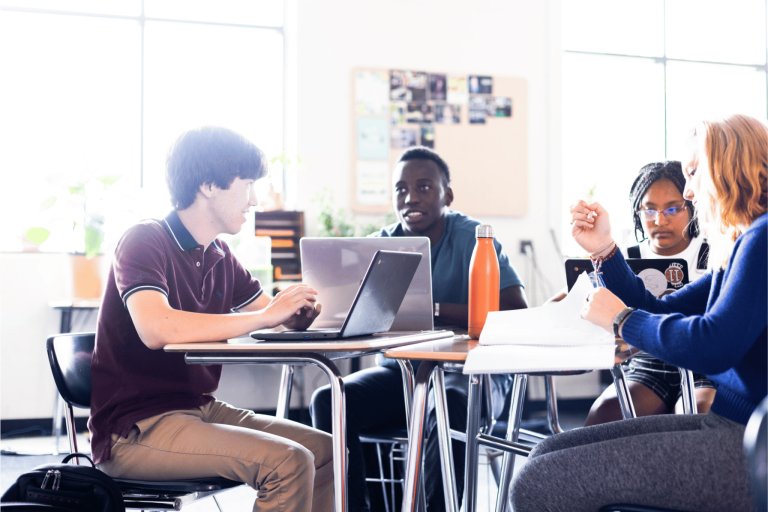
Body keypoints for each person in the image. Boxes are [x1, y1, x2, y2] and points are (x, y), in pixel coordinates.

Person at [512, 114, 767, 512]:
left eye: (695, 174)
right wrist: (603, 250)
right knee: (544, 452)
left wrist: (620, 319)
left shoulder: (762, 239)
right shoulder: (743, 243)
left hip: (749, 442)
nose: (691, 192)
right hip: (731, 425)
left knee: (538, 482)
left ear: (727, 169)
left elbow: (715, 345)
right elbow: (659, 308)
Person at [89, 126, 333, 512]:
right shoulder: (144, 240)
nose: (254, 200)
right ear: (208, 185)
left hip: (197, 408)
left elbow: (266, 312)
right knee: (288, 462)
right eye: (248, 184)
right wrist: (268, 316)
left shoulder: (219, 253)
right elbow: (157, 329)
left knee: (324, 450)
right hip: (134, 428)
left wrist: (294, 316)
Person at [310, 146, 528, 512]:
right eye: (400, 189)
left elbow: (514, 310)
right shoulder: (382, 242)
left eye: (425, 187)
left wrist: (434, 310)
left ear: (448, 194)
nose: (410, 197)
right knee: (329, 399)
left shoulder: (475, 238)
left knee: (445, 404)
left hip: (470, 377)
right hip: (404, 377)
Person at [584, 161, 716, 426]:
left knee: (697, 415)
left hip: (702, 361)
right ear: (637, 212)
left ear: (691, 205)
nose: (660, 220)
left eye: (672, 209)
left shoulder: (714, 251)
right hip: (648, 360)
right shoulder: (623, 259)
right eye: (649, 210)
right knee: (604, 416)